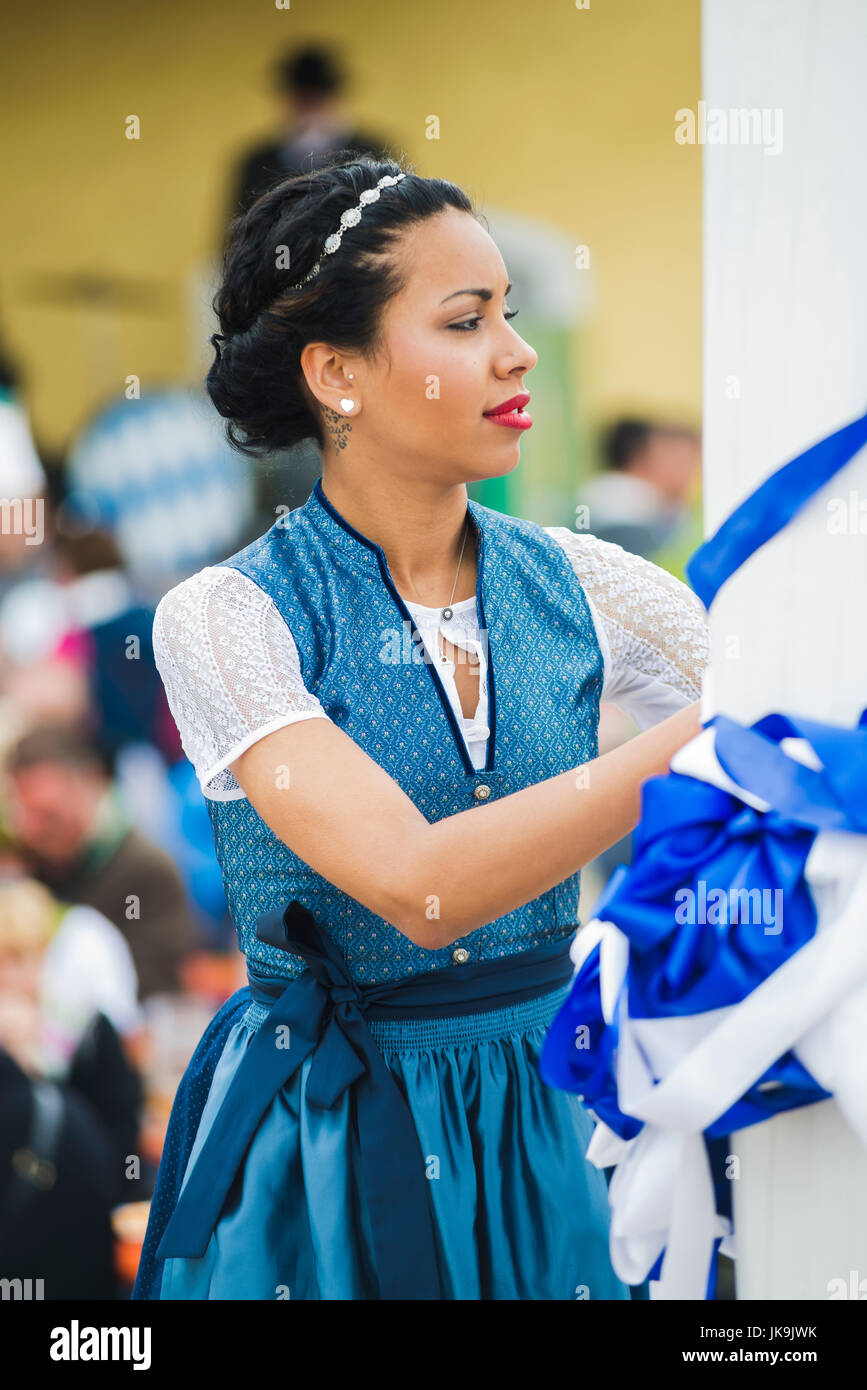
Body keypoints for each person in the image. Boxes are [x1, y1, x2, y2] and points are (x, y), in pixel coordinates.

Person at [136, 156, 710, 1302]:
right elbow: (413, 880)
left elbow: (801, 728)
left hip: (556, 1107)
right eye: (466, 320)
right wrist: (709, 735)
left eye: (510, 310)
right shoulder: (229, 617)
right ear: (336, 372)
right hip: (339, 1135)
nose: (517, 350)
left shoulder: (592, 583)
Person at [4, 725, 199, 999]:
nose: (32, 829)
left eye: (48, 815)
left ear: (90, 782)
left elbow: (150, 988)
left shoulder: (146, 872)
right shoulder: (25, 864)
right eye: (25, 814)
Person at [226, 44, 391, 226]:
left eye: (317, 101)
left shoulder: (373, 153)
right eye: (303, 101)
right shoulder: (257, 163)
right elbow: (238, 231)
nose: (310, 112)